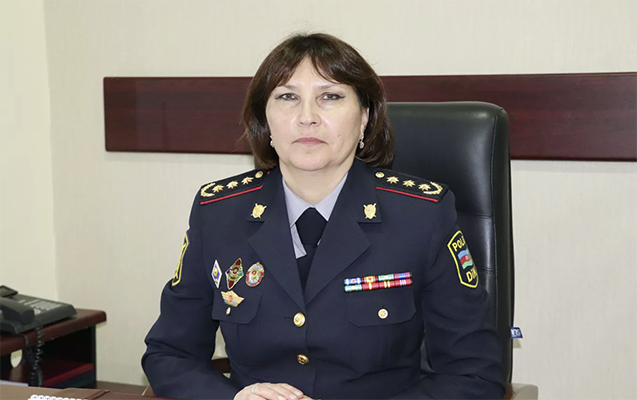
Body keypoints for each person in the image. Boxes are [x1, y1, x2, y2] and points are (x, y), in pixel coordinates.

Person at [142, 33, 504, 400]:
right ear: (265, 120)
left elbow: (475, 373)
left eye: (330, 97)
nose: (307, 118)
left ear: (364, 117)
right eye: (287, 97)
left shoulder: (421, 216)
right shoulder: (218, 213)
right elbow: (169, 354)